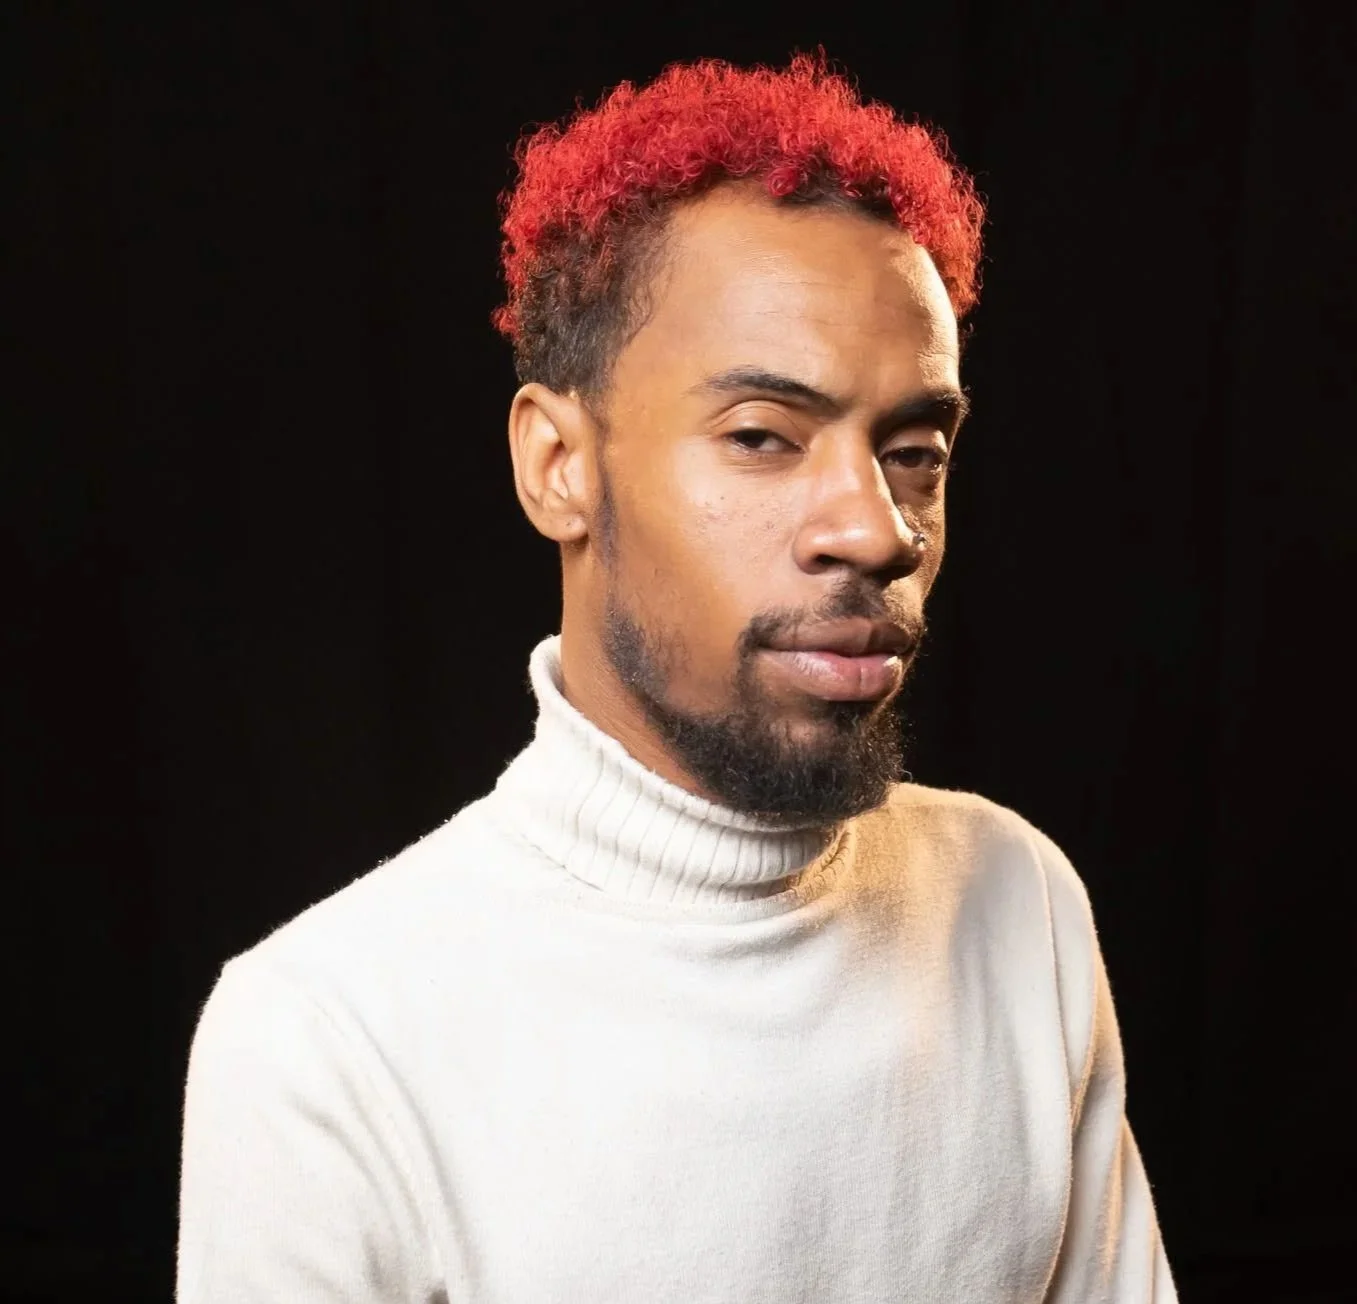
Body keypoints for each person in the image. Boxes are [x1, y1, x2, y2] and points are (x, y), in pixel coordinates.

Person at [177, 55, 1177, 1302]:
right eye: (762, 435)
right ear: (558, 466)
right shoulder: (326, 1039)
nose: (877, 531)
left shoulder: (1014, 902)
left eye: (914, 450)